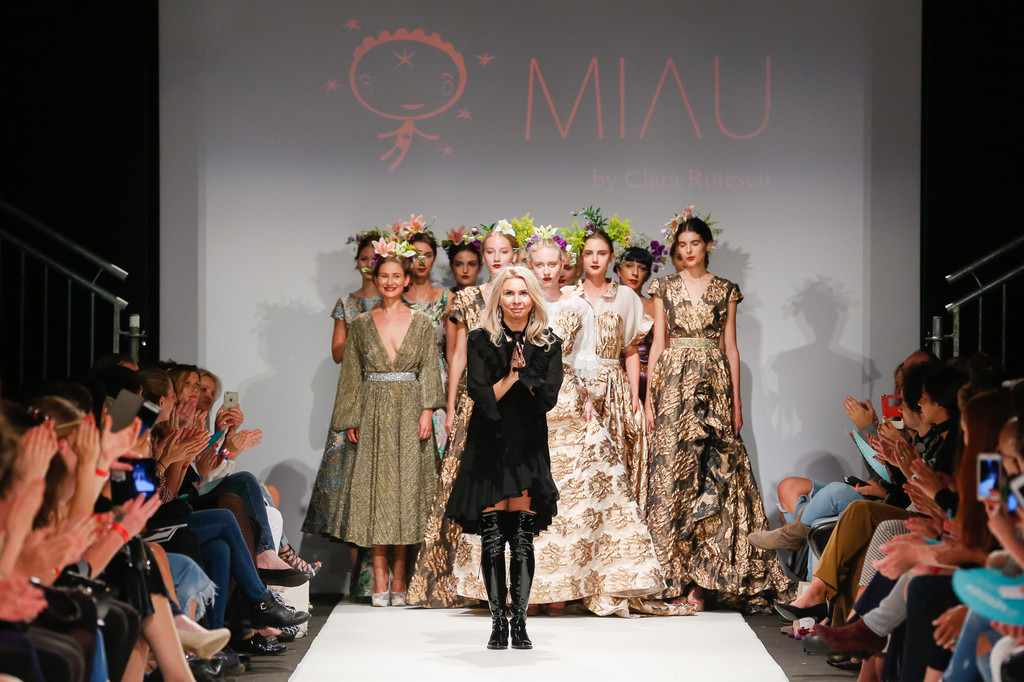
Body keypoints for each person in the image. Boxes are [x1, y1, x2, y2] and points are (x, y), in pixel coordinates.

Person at [644, 214, 790, 612]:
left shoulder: (726, 290)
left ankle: (706, 578)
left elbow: (731, 348)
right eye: (682, 245)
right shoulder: (663, 287)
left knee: (717, 474)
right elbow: (658, 344)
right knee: (674, 477)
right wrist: (650, 398)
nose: (688, 250)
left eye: (695, 243)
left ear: (708, 245)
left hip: (714, 386)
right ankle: (672, 576)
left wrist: (737, 402)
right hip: (673, 385)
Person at [445, 265, 563, 649]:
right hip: (490, 443)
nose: (516, 300)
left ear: (533, 299)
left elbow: (547, 399)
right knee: (493, 536)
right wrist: (512, 376)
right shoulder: (480, 340)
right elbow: (480, 396)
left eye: (523, 293)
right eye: (509, 293)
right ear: (498, 298)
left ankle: (521, 623)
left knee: (522, 537)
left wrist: (525, 375)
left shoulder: (548, 343)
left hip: (527, 445)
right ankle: (498, 622)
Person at [407, 223, 518, 608]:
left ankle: (514, 581)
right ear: (484, 256)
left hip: (515, 399)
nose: (497, 258)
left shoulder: (520, 294)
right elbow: (456, 355)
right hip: (476, 398)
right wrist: (451, 405)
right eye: (491, 252)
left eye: (504, 251)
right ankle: (459, 580)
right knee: (469, 481)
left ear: (515, 254)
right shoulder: (468, 298)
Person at [328, 240, 444, 606]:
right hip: (373, 410)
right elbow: (351, 372)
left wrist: (427, 411)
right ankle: (380, 578)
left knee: (408, 491)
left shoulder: (421, 322)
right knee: (376, 491)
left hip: (410, 409)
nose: (390, 282)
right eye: (384, 276)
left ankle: (402, 578)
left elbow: (429, 368)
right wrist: (350, 416)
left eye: (396, 275)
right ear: (375, 280)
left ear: (407, 279)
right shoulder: (362, 323)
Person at [303, 232, 381, 539]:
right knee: (348, 476)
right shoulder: (347, 303)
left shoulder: (397, 303)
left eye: (375, 259)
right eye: (364, 258)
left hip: (387, 390)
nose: (369, 264)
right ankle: (356, 560)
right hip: (356, 389)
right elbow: (338, 353)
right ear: (356, 262)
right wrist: (366, 338)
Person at [566, 214, 646, 508]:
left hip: (614, 389)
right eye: (589, 253)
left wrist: (634, 396)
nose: (594, 259)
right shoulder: (567, 295)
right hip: (576, 387)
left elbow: (631, 350)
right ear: (581, 256)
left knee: (612, 458)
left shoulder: (625, 296)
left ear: (612, 257)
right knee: (577, 460)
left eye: (601, 253)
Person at [614, 242, 659, 507]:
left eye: (641, 268)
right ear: (618, 269)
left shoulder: (654, 305)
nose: (634, 273)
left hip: (649, 382)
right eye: (629, 266)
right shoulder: (608, 301)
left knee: (648, 447)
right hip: (618, 382)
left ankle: (643, 506)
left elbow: (661, 348)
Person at [403, 230, 451, 458]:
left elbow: (453, 351)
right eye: (415, 255)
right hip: (405, 375)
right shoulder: (395, 299)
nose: (421, 261)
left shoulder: (447, 298)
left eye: (428, 255)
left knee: (439, 444)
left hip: (439, 376)